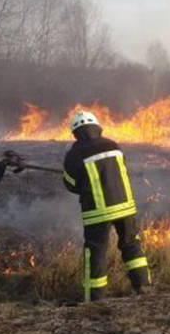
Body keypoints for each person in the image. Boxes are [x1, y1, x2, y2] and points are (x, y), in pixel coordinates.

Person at [62, 110, 150, 302]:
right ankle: (143, 286)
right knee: (131, 244)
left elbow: (70, 184)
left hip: (97, 211)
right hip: (125, 205)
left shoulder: (74, 154)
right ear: (96, 127)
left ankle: (95, 297)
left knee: (95, 252)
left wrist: (84, 183)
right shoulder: (113, 145)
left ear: (76, 133)